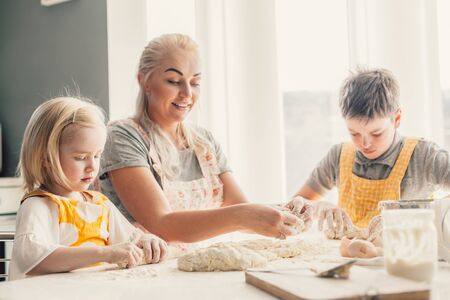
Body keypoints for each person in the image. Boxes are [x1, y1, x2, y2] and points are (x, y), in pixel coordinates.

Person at [99, 33, 302, 247]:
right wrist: (242, 216)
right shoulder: (122, 137)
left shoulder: (203, 141)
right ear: (144, 81)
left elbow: (243, 208)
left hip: (190, 272)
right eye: (174, 81)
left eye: (195, 83)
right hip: (140, 272)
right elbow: (161, 225)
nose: (187, 93)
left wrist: (293, 212)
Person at [9, 97, 167, 281]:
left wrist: (146, 241)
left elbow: (130, 240)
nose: (92, 166)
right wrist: (104, 253)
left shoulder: (100, 204)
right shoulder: (39, 205)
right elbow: (32, 258)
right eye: (81, 157)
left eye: (97, 155)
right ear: (46, 158)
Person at [286, 68, 450, 240]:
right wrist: (317, 208)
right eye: (354, 133)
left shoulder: (426, 155)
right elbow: (296, 205)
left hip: (403, 259)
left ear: (397, 119)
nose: (364, 143)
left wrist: (416, 215)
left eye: (377, 133)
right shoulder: (339, 156)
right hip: (349, 261)